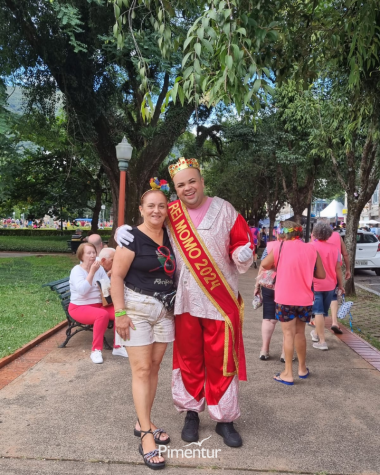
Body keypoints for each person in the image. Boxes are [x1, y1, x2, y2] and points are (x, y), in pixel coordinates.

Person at [116, 157, 253, 448]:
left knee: (221, 361)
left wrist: (243, 252)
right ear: (175, 189)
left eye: (192, 181)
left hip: (219, 301)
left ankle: (224, 419)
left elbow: (242, 241)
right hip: (184, 303)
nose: (188, 188)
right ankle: (191, 412)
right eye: (181, 185)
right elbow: (147, 230)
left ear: (202, 181)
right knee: (189, 361)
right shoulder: (171, 212)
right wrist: (122, 235)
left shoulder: (226, 210)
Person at [112, 188, 176, 470]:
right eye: (151, 206)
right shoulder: (131, 238)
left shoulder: (172, 236)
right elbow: (116, 276)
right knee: (140, 370)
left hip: (165, 311)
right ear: (141, 209)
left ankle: (143, 421)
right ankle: (147, 437)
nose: (156, 211)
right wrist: (120, 313)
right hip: (136, 308)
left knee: (154, 367)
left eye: (161, 206)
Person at [261, 221, 325, 385]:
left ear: (283, 233)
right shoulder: (312, 248)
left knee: (288, 334)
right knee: (300, 333)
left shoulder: (280, 247)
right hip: (305, 299)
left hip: (285, 298)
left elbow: (264, 264)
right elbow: (321, 275)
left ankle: (288, 373)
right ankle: (302, 369)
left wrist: (280, 266)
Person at [68, 243, 128, 364]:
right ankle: (96, 350)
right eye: (88, 253)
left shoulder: (99, 268)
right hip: (79, 307)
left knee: (120, 311)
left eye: (93, 253)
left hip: (99, 305)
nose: (92, 255)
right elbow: (82, 291)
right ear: (81, 256)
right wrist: (92, 272)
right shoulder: (77, 270)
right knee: (102, 315)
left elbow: (105, 285)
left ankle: (118, 346)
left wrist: (110, 283)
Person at [310, 222, 345, 351]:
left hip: (315, 283)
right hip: (330, 284)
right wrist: (340, 285)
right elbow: (338, 268)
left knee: (318, 312)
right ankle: (315, 334)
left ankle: (322, 341)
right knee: (323, 312)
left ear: (315, 233)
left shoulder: (310, 247)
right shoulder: (334, 249)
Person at [324, 219, 351, 334]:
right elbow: (345, 254)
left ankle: (317, 321)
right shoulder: (337, 236)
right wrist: (348, 269)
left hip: (319, 271)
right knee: (334, 296)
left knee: (318, 295)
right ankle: (334, 322)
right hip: (335, 270)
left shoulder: (314, 236)